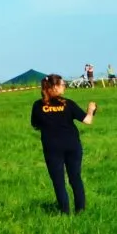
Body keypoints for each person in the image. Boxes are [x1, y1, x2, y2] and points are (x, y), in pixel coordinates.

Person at [31, 74, 95, 214]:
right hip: (72, 145)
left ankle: (65, 212)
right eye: (62, 84)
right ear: (54, 87)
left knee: (58, 181)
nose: (64, 86)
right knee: (75, 178)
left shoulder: (37, 105)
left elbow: (35, 125)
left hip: (52, 147)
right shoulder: (67, 103)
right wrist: (91, 109)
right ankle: (80, 211)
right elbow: (87, 120)